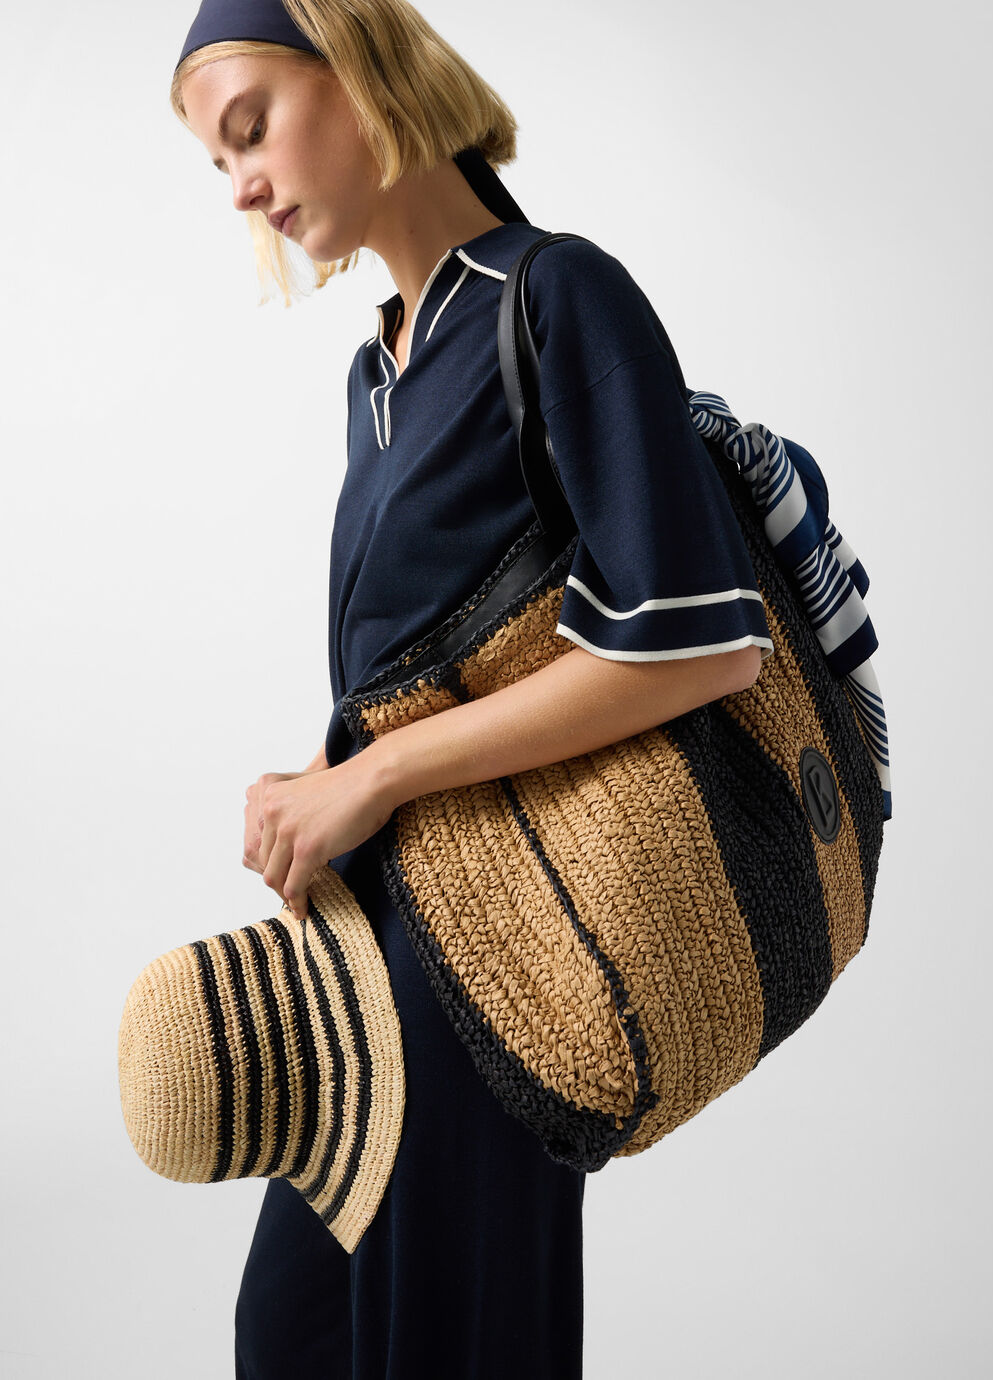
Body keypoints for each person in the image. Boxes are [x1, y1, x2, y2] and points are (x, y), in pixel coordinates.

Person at [172, 2, 772, 1376]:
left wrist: (370, 777)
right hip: (371, 967)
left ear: (363, 68)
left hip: (513, 972)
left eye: (251, 129)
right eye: (218, 166)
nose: (244, 185)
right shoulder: (373, 375)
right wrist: (329, 783)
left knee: (450, 1342)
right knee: (296, 1334)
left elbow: (698, 644)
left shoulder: (555, 295)